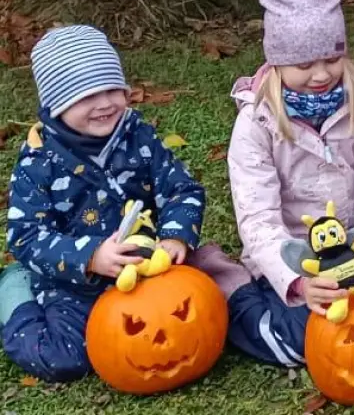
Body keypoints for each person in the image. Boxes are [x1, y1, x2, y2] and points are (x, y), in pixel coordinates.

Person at [225, 0, 354, 367]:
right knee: (302, 343)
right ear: (277, 61)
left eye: (331, 59)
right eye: (303, 64)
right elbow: (257, 215)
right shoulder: (256, 123)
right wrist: (296, 280)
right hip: (292, 253)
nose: (320, 74)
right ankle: (236, 295)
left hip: (353, 251)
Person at [1, 26, 208, 382]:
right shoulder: (38, 163)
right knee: (65, 359)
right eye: (85, 96)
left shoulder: (138, 136)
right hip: (72, 282)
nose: (105, 103)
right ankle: (13, 294)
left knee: (204, 312)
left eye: (113, 89)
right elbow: (25, 236)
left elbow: (182, 189)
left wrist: (175, 236)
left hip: (144, 266)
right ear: (57, 103)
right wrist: (91, 257)